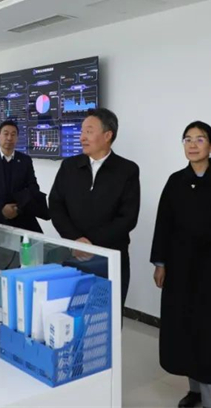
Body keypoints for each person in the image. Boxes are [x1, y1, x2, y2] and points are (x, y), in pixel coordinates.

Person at [150, 121, 211, 408]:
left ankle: (210, 400)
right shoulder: (175, 181)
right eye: (188, 139)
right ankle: (194, 391)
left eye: (200, 139)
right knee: (184, 331)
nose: (192, 145)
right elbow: (163, 225)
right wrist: (160, 263)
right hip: (180, 271)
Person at [48, 108, 140, 307]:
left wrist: (91, 244)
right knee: (72, 313)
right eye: (82, 132)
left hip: (110, 258)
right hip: (73, 255)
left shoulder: (127, 170)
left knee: (108, 315)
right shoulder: (69, 166)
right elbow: (56, 205)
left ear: (108, 136)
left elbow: (128, 218)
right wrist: (76, 240)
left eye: (89, 131)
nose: (82, 137)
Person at [0, 120, 49, 233]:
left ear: (17, 138)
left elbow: (33, 187)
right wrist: (2, 208)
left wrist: (18, 208)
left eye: (13, 134)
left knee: (37, 240)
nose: (9, 138)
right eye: (6, 134)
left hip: (21, 214)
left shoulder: (25, 160)